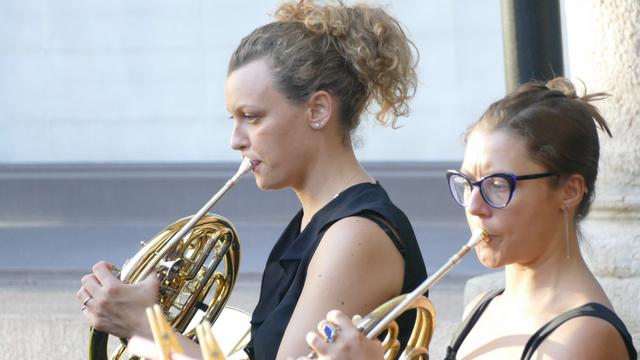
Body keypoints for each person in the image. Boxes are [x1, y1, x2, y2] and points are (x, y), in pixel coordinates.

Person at [76, 1, 428, 359]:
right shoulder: (312, 223)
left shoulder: (355, 236)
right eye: (233, 118)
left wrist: (145, 326)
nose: (236, 140)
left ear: (318, 110)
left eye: (252, 117)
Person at [304, 77, 637, 359]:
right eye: (467, 184)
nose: (474, 206)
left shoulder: (586, 336)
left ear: (569, 191)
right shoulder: (483, 306)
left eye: (497, 185)